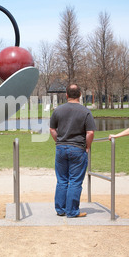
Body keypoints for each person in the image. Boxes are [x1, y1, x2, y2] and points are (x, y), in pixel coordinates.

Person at [49, 84, 96, 218]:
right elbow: (90, 132)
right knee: (75, 181)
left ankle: (60, 209)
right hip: (77, 148)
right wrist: (87, 146)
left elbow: (52, 129)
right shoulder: (85, 111)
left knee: (62, 180)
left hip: (61, 148)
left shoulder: (58, 110)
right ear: (80, 94)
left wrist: (58, 141)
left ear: (66, 95)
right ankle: (72, 211)